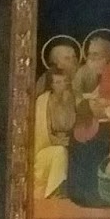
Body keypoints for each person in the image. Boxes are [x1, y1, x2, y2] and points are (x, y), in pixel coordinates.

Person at [33, 68, 76, 200]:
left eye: (64, 81)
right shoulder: (43, 101)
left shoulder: (70, 99)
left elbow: (72, 124)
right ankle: (53, 192)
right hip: (45, 149)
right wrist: (62, 142)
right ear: (51, 85)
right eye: (58, 82)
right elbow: (43, 134)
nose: (62, 85)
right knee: (60, 152)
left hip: (69, 142)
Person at [77, 32, 110, 96]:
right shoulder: (82, 72)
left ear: (107, 55)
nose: (91, 58)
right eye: (89, 54)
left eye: (95, 54)